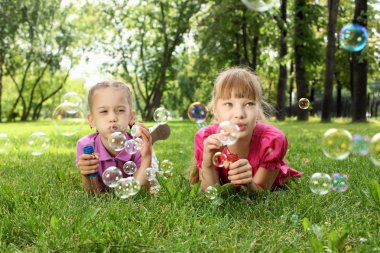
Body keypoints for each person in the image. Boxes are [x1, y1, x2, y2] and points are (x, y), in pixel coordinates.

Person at [190, 67, 303, 192]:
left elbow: (262, 192)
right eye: (229, 104)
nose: (239, 114)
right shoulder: (206, 138)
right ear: (215, 110)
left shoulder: (272, 140)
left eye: (249, 104)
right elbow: (209, 192)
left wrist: (249, 185)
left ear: (257, 109)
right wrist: (208, 165)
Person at [76, 80, 170, 193]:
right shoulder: (86, 145)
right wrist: (87, 174)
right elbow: (94, 193)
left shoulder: (136, 146)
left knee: (153, 171)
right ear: (92, 121)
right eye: (104, 111)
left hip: (142, 149)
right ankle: (147, 133)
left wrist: (146, 156)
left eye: (120, 110)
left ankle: (148, 139)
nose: (112, 118)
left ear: (131, 117)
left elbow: (142, 190)